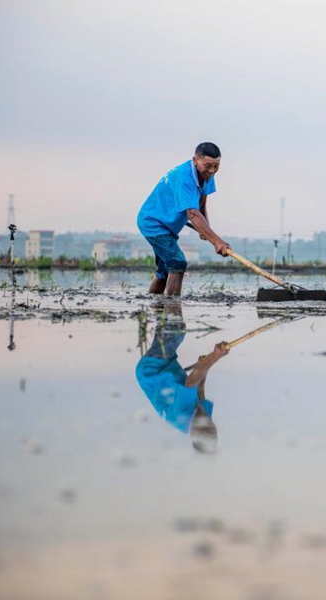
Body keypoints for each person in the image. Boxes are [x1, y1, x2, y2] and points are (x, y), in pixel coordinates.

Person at [137, 142, 231, 296]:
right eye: (208, 165)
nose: (213, 171)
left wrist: (205, 228)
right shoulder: (185, 178)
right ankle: (173, 314)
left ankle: (155, 309)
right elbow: (192, 213)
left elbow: (201, 203)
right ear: (195, 160)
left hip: (168, 226)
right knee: (177, 262)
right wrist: (216, 241)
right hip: (154, 223)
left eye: (217, 166)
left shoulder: (207, 174)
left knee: (164, 272)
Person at [135, 304, 228, 453]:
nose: (210, 425)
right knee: (169, 327)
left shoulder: (182, 416)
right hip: (165, 369)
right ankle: (161, 298)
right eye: (212, 429)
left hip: (152, 370)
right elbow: (200, 390)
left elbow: (191, 381)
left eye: (206, 430)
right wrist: (203, 363)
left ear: (195, 433)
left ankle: (171, 290)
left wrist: (215, 355)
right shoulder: (204, 418)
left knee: (177, 329)